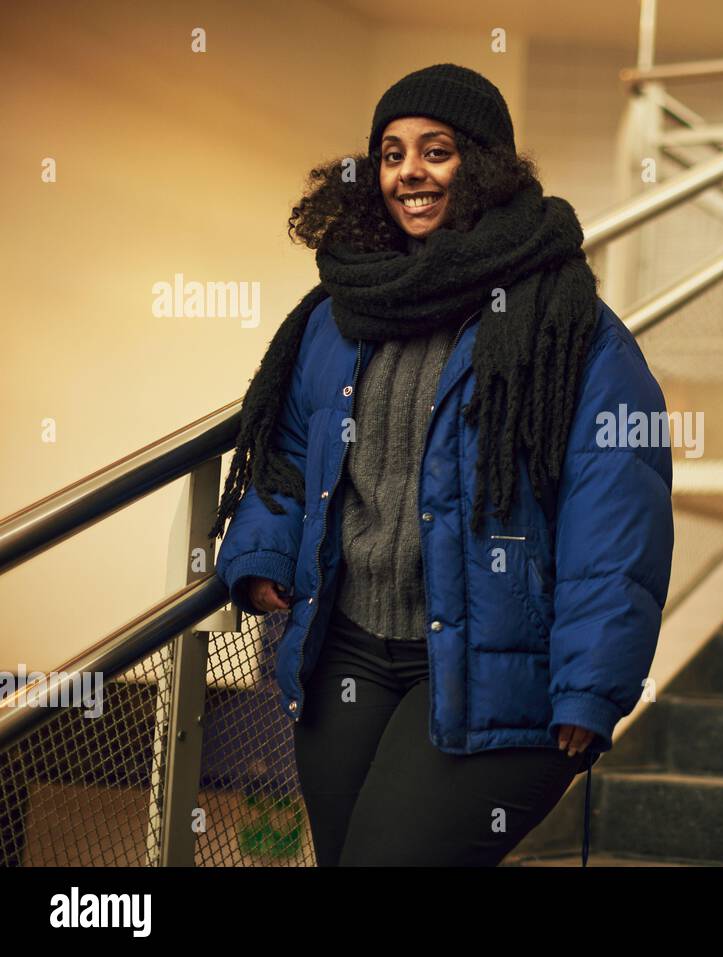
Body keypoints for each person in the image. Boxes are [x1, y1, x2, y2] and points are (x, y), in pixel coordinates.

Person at [210, 63, 673, 866]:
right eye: (392, 154)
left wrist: (591, 685)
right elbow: (286, 452)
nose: (409, 173)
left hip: (496, 669)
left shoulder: (569, 327)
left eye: (436, 150)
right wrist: (258, 554)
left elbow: (615, 519)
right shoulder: (340, 313)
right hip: (346, 652)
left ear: (485, 167)